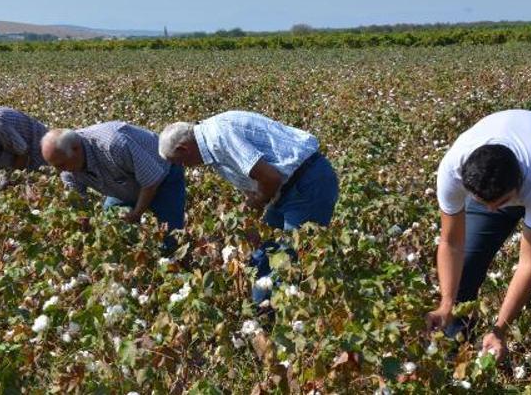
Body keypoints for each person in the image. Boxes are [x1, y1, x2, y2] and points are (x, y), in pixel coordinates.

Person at [425, 109, 531, 364]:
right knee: (465, 268)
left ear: (519, 185)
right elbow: (451, 243)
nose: (492, 210)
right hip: (502, 173)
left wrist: (500, 329)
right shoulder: (453, 170)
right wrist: (446, 304)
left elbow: (529, 264)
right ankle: (455, 363)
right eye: (482, 203)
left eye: (501, 203)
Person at [158, 111, 339, 303]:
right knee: (262, 258)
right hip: (285, 188)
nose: (185, 167)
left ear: (183, 148)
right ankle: (261, 313)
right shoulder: (211, 141)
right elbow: (255, 183)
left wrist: (259, 201)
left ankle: (283, 315)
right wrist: (252, 221)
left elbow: (271, 178)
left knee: (288, 260)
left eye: (180, 162)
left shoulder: (218, 138)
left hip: (308, 183)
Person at [41, 122, 185, 252]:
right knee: (109, 223)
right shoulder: (67, 168)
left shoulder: (113, 145)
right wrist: (83, 228)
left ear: (76, 149)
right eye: (55, 166)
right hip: (121, 183)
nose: (60, 171)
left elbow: (151, 182)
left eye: (61, 165)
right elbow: (78, 203)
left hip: (162, 175)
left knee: (170, 237)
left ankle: (174, 262)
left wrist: (136, 213)